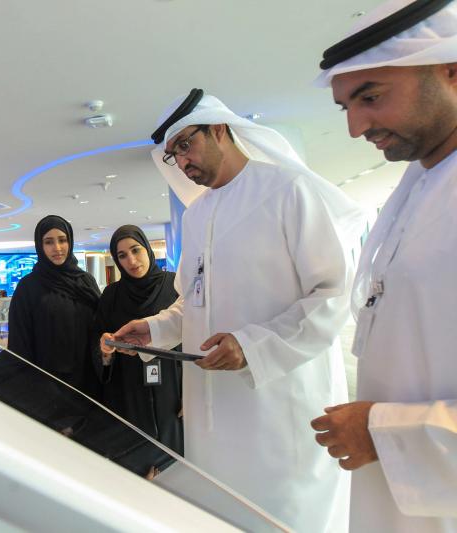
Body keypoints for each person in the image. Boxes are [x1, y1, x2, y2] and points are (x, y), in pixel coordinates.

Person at [113, 90, 366, 531]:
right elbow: (193, 301)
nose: (182, 162)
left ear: (219, 129)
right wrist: (153, 330)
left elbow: (332, 293)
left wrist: (252, 346)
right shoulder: (195, 217)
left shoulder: (289, 191)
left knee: (287, 517)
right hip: (211, 417)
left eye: (185, 146)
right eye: (172, 156)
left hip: (278, 407)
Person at [310, 1, 457, 531]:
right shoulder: (420, 182)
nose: (355, 128)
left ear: (452, 71)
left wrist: (387, 431)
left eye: (370, 97)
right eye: (346, 106)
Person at [95, 225, 183, 475]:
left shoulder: (174, 286)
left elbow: (195, 337)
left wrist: (192, 392)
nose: (131, 260)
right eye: (122, 255)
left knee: (177, 461)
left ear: (147, 249)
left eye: (136, 250)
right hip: (129, 390)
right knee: (138, 459)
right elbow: (99, 342)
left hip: (173, 387)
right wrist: (104, 348)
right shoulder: (112, 295)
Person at [7, 215, 101, 398]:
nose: (57, 248)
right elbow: (20, 346)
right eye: (49, 242)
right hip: (50, 387)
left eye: (62, 240)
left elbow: (100, 324)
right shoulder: (28, 287)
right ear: (40, 246)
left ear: (70, 242)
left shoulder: (85, 281)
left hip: (90, 382)